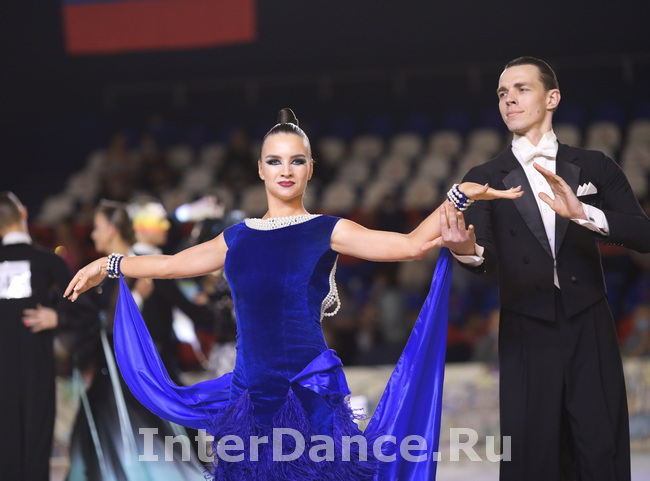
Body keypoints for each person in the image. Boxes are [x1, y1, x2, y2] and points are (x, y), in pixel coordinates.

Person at [65, 108, 522, 480]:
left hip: (308, 393)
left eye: (297, 161)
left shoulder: (327, 229)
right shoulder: (237, 237)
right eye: (275, 161)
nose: (286, 170)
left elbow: (409, 246)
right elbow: (169, 265)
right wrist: (107, 264)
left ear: (310, 169)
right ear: (260, 169)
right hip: (249, 397)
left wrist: (458, 195)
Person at [440, 56, 650, 481]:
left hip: (589, 323)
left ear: (552, 98)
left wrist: (584, 214)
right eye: (502, 93)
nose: (509, 99)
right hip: (525, 330)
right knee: (531, 457)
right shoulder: (484, 176)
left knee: (601, 449)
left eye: (521, 89)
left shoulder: (594, 166)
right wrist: (466, 249)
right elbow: (485, 257)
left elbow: (642, 235)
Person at [66, 199, 204, 481]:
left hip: (144, 377)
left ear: (112, 229)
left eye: (97, 227)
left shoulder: (141, 267)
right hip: (110, 379)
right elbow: (94, 321)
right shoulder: (101, 274)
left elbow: (118, 323)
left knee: (159, 447)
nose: (92, 234)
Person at [0, 191, 97, 481]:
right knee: (36, 444)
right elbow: (86, 309)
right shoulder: (46, 260)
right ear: (24, 214)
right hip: (37, 370)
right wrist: (59, 317)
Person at [128, 196, 213, 384]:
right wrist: (213, 314)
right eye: (159, 221)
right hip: (155, 355)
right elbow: (187, 306)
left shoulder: (132, 260)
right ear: (140, 227)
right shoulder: (151, 265)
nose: (166, 226)